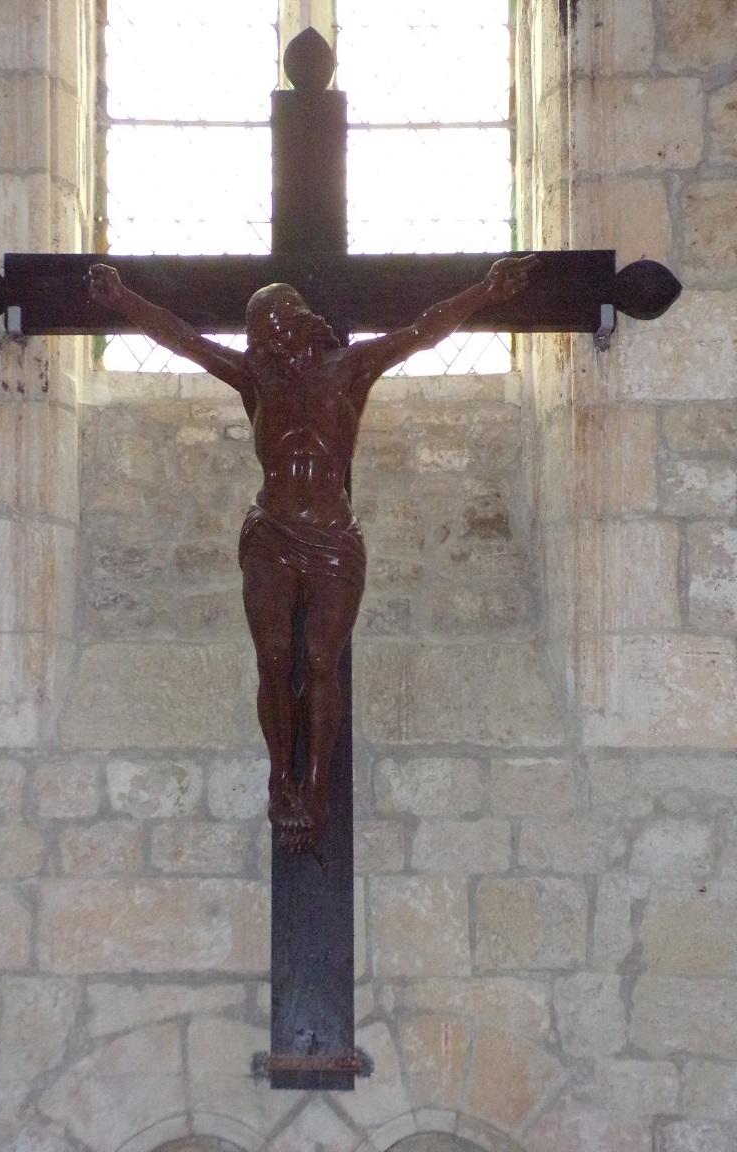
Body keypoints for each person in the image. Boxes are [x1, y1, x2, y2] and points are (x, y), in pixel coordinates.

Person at [89, 256, 536, 852]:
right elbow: (184, 339)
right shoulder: (257, 378)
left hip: (333, 540)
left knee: (322, 657)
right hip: (271, 534)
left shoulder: (352, 368)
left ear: (298, 319)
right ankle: (281, 778)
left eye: (272, 328)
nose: (267, 342)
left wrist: (484, 292)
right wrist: (123, 301)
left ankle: (318, 783)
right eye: (259, 336)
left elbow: (423, 330)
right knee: (274, 657)